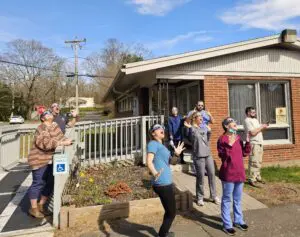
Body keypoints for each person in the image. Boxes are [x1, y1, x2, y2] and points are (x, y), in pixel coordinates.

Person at [27, 110, 72, 218]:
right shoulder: (41, 128)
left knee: (51, 182)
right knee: (38, 183)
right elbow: (46, 144)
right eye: (46, 113)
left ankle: (41, 205)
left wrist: (68, 140)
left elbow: (61, 137)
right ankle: (33, 208)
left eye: (49, 112)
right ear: (42, 118)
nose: (49, 113)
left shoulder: (54, 126)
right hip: (38, 159)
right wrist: (62, 143)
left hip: (50, 159)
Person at [146, 124, 185, 237]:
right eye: (158, 128)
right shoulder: (153, 144)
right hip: (162, 183)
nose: (161, 129)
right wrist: (154, 173)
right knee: (171, 213)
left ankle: (163, 233)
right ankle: (163, 235)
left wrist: (176, 154)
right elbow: (149, 161)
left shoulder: (163, 146)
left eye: (162, 127)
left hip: (166, 183)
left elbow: (172, 162)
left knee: (169, 211)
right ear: (153, 133)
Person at [217, 117, 251, 235]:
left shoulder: (238, 138)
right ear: (227, 126)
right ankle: (227, 224)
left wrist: (247, 142)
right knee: (227, 199)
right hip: (228, 174)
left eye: (236, 123)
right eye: (233, 123)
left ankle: (238, 220)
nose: (236, 125)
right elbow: (223, 157)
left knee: (237, 199)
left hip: (239, 173)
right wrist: (229, 145)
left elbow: (244, 153)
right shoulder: (222, 139)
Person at [184, 112, 220, 206]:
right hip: (198, 156)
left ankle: (214, 195)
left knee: (212, 175)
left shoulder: (204, 127)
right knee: (200, 178)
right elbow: (191, 134)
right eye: (199, 116)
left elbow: (207, 140)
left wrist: (209, 132)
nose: (202, 118)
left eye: (202, 116)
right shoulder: (190, 129)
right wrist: (190, 122)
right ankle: (200, 197)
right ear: (195, 118)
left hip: (208, 155)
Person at [243, 107, 268, 187]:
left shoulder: (256, 120)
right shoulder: (247, 120)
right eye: (252, 112)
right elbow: (253, 133)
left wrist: (264, 127)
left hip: (260, 142)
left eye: (255, 112)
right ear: (248, 113)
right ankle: (251, 179)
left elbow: (258, 131)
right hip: (253, 143)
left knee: (259, 161)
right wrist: (261, 127)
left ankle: (257, 176)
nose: (254, 113)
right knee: (254, 162)